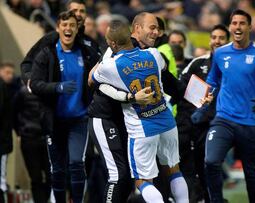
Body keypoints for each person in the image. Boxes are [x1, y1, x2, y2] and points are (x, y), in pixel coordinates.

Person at [91, 20, 189, 203]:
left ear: (112, 44)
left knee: (142, 181)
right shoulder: (154, 54)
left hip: (142, 128)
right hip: (167, 121)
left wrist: (128, 96)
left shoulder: (111, 66)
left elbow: (94, 80)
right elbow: (164, 71)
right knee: (174, 170)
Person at [199, 9, 255, 203]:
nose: (238, 27)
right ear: (230, 26)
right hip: (224, 118)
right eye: (234, 23)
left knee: (251, 173)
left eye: (242, 23)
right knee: (210, 161)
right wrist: (201, 105)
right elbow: (213, 81)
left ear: (250, 27)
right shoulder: (221, 53)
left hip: (250, 122)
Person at [30, 11, 100, 203]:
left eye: (72, 25)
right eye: (64, 25)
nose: (68, 28)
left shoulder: (86, 54)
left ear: (77, 29)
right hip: (55, 121)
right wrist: (57, 87)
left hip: (80, 119)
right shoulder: (47, 53)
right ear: (58, 28)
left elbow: (101, 77)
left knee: (77, 163)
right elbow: (34, 84)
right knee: (58, 169)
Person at [178, 24, 230, 203]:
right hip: (196, 126)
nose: (217, 41)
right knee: (197, 168)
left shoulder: (233, 66)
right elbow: (180, 86)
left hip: (222, 125)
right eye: (214, 37)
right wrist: (198, 104)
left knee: (212, 165)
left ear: (228, 41)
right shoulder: (197, 63)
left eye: (221, 38)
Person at [21, 0, 100, 84]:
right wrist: (31, 81)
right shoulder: (51, 38)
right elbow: (28, 63)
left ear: (86, 15)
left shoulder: (91, 44)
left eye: (82, 11)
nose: (78, 14)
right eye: (74, 11)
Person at [13, 84, 51, 203]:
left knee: (38, 177)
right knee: (44, 176)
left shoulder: (22, 92)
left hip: (31, 137)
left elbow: (13, 113)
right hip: (37, 137)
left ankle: (42, 200)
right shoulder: (45, 90)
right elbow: (14, 113)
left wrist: (19, 131)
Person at [0, 63, 13, 203]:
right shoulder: (4, 88)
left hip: (2, 142)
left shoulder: (5, 88)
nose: (10, 76)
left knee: (2, 179)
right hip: (3, 142)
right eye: (7, 72)